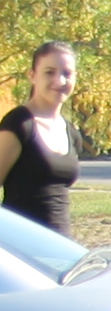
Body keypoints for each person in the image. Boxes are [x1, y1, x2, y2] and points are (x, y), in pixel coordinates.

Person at [3, 41, 81, 235]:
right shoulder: (20, 124)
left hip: (59, 244)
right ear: (32, 76)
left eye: (67, 73)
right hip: (21, 243)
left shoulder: (70, 132)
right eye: (49, 72)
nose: (60, 81)